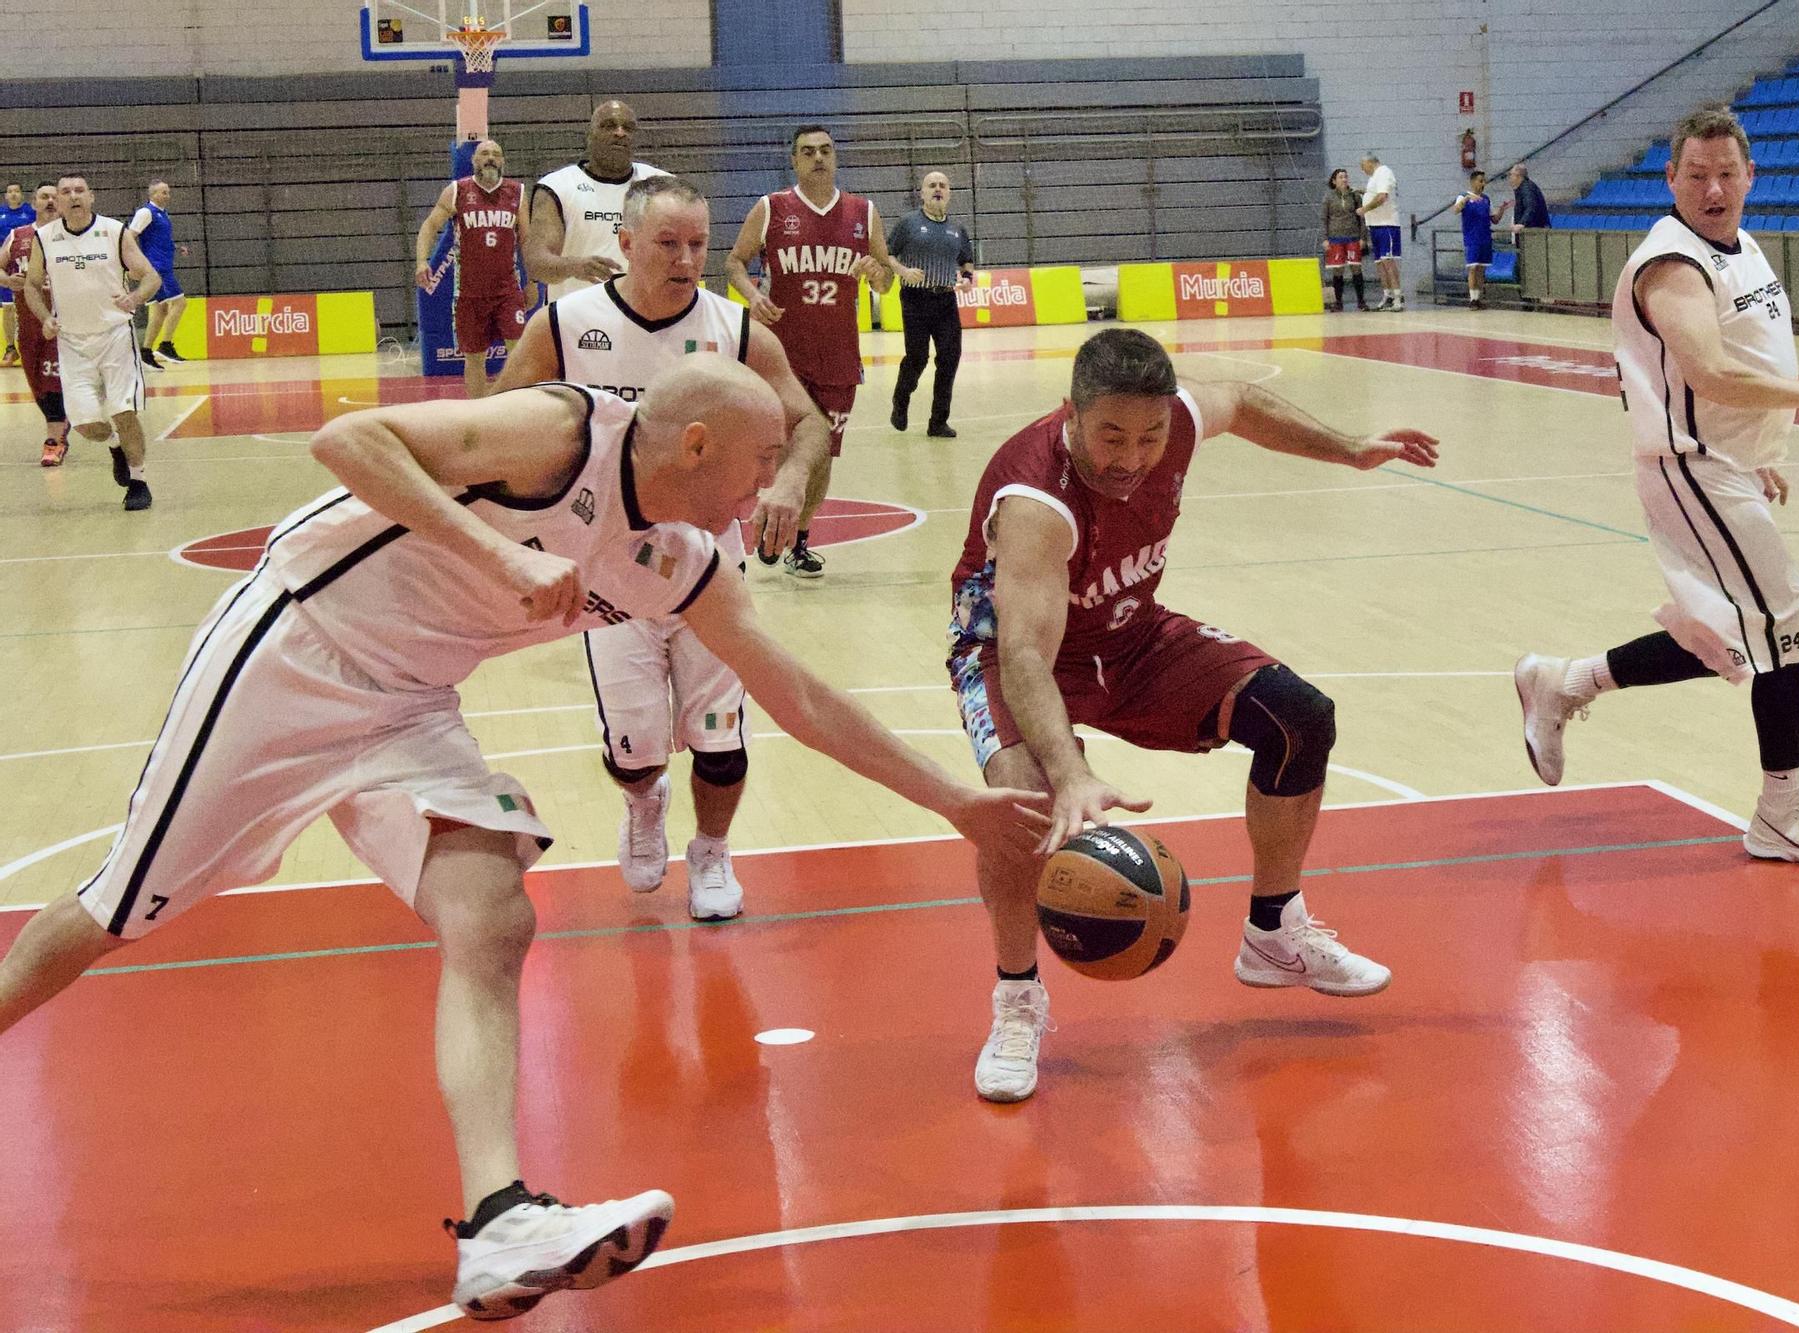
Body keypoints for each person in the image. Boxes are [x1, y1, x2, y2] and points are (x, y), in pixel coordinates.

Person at [0, 353, 1047, 1320]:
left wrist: (951, 801)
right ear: (695, 447)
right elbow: (346, 444)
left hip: (408, 706)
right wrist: (492, 545)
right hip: (295, 652)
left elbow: (797, 695)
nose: (775, 479)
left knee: (492, 910)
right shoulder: (562, 431)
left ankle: (499, 1223)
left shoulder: (681, 557)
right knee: (115, 909)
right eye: (763, 458)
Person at [945, 327, 1441, 1103]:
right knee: (1022, 802)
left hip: (1130, 630)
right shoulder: (1037, 499)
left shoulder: (1172, 420)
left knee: (1299, 718)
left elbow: (1241, 401)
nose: (1132, 456)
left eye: (1150, 437)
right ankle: (1016, 1000)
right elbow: (1026, 660)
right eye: (1110, 435)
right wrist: (1071, 773)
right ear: (1070, 415)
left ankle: (1274, 932)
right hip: (1013, 649)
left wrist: (1349, 449)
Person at [1514, 108, 1799, 870]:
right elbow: (1712, 371)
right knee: (1785, 630)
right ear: (1670, 179)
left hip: (1721, 464)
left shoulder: (1741, 246)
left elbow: (1729, 368)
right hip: (1687, 468)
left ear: (1751, 175)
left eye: (1726, 172)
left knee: (1734, 637)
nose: (1713, 188)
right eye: (1697, 174)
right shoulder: (1672, 263)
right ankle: (1782, 814)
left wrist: (1755, 449)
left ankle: (1566, 681)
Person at [494, 175, 830, 918]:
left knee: (720, 736)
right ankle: (644, 802)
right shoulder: (564, 323)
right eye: (668, 244)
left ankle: (711, 851)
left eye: (698, 245)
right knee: (635, 746)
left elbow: (806, 420)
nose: (686, 259)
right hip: (606, 567)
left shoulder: (733, 329)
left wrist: (787, 484)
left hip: (710, 565)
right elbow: (495, 424)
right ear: (624, 245)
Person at [726, 124, 915, 578]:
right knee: (782, 450)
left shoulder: (863, 212)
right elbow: (734, 262)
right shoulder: (771, 208)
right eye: (808, 151)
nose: (818, 158)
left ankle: (800, 542)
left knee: (823, 453)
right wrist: (754, 296)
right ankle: (763, 525)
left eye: (826, 150)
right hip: (780, 356)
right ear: (794, 160)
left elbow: (887, 283)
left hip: (837, 355)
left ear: (835, 157)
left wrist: (877, 274)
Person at [22, 173, 159, 511]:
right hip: (71, 341)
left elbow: (151, 277)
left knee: (123, 409)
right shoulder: (44, 237)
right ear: (59, 200)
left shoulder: (115, 232)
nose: (72, 196)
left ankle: (139, 481)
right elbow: (31, 285)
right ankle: (114, 445)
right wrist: (45, 318)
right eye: (65, 191)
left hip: (114, 335)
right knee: (86, 425)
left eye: (79, 190)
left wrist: (135, 298)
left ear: (92, 196)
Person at [525, 100, 672, 302]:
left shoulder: (663, 185)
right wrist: (573, 266)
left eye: (628, 128)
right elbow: (536, 262)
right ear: (590, 136)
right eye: (609, 125)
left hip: (645, 315)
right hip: (577, 319)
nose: (620, 133)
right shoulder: (557, 187)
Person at [416, 139, 530, 399]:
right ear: (474, 161)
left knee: (519, 351)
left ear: (503, 161)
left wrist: (532, 282)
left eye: (496, 154)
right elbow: (430, 226)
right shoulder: (457, 191)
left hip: (507, 291)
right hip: (469, 294)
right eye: (484, 153)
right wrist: (422, 261)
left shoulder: (518, 192)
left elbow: (527, 240)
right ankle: (479, 411)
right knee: (475, 358)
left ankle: (517, 406)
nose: (490, 158)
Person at [886, 170, 974, 438]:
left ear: (949, 193)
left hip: (946, 299)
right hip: (915, 300)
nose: (938, 189)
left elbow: (966, 260)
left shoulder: (957, 230)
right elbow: (887, 255)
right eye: (932, 185)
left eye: (943, 185)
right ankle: (901, 400)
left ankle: (938, 421)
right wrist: (903, 271)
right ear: (922, 193)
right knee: (918, 358)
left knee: (950, 358)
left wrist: (968, 278)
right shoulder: (908, 224)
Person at [4, 182, 67, 465]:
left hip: (61, 325)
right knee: (39, 388)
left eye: (55, 196)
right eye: (45, 197)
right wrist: (7, 280)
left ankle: (53, 441)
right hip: (27, 326)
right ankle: (61, 424)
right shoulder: (19, 234)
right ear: (34, 203)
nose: (51, 201)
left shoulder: (71, 235)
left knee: (53, 384)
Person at [131, 180, 187, 367]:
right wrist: (133, 265)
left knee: (159, 310)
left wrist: (175, 247)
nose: (167, 196)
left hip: (162, 265)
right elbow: (130, 237)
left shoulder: (163, 214)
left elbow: (158, 239)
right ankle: (165, 345)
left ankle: (146, 352)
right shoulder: (146, 212)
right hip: (157, 269)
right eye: (163, 192)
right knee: (180, 303)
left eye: (168, 192)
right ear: (152, 194)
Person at [1358, 152, 1403, 311]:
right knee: (1379, 262)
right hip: (1375, 225)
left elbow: (1382, 197)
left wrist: (1365, 208)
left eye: (1363, 167)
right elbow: (1375, 194)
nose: (1363, 170)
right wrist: (1364, 192)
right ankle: (1388, 295)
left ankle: (1398, 297)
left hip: (1386, 224)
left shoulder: (1384, 172)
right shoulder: (1375, 177)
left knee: (1388, 261)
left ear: (1369, 162)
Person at [1452, 169, 1504, 308]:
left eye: (1484, 181)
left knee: (1481, 268)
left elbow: (1495, 220)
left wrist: (1502, 210)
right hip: (1471, 237)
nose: (1483, 183)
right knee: (1473, 267)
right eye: (1480, 181)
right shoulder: (1463, 196)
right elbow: (1455, 210)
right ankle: (1472, 299)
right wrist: (1466, 199)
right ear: (1473, 182)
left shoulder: (1486, 199)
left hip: (1485, 237)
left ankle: (1478, 297)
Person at [1321, 168, 1366, 311]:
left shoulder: (1355, 196)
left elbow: (1362, 218)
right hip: (1335, 238)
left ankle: (1361, 301)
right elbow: (1324, 219)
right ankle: (1338, 302)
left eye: (1346, 177)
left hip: (1353, 237)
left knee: (1356, 268)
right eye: (1340, 177)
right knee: (1338, 270)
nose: (1344, 179)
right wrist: (1325, 238)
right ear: (1334, 181)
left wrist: (1363, 237)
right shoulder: (1328, 197)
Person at [0, 181, 34, 368]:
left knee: (30, 306)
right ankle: (11, 349)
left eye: (16, 191)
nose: (13, 194)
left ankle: (30, 347)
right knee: (8, 307)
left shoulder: (30, 213)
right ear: (6, 196)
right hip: (6, 266)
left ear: (21, 195)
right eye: (10, 192)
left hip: (27, 265)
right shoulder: (1, 214)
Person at [1507, 161, 1551, 237]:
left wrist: (1522, 223)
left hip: (1533, 232)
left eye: (1511, 175)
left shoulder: (1527, 189)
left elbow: (1531, 206)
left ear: (1518, 176)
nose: (1509, 178)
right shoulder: (1524, 187)